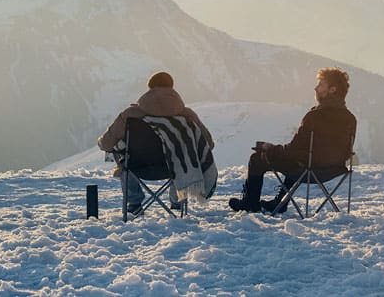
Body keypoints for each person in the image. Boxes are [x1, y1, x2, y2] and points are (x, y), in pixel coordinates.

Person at [229, 67, 357, 212]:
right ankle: (281, 202)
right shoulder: (350, 119)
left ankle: (250, 204)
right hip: (334, 170)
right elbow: (346, 151)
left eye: (321, 85)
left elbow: (293, 149)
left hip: (308, 169)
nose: (316, 88)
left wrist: (270, 148)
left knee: (257, 159)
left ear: (332, 89)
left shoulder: (314, 116)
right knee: (301, 157)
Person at [98, 71, 214, 214]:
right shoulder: (187, 116)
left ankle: (134, 203)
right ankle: (177, 201)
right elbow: (208, 144)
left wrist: (104, 144)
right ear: (172, 89)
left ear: (150, 89)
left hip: (137, 166)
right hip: (173, 169)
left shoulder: (131, 114)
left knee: (123, 158)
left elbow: (106, 144)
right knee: (179, 157)